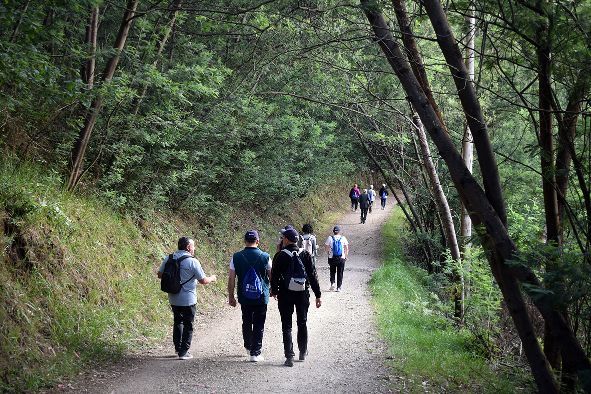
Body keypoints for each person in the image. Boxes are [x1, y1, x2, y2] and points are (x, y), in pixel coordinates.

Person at [158, 237, 217, 360]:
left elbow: (160, 274)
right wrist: (212, 278)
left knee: (177, 321)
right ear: (188, 247)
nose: (194, 248)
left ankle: (178, 348)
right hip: (188, 298)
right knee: (188, 324)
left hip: (173, 297)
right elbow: (203, 280)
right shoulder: (192, 261)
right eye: (193, 246)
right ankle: (184, 352)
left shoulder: (169, 258)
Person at [271, 227, 322, 367]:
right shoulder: (305, 254)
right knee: (302, 322)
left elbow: (274, 276)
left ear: (286, 239)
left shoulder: (280, 255)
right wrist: (318, 295)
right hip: (302, 293)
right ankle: (303, 351)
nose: (282, 240)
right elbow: (312, 276)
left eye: (283, 238)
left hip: (285, 294)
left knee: (286, 325)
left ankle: (289, 357)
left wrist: (274, 291)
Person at [227, 230, 272, 362]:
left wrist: (231, 296)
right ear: (257, 241)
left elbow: (231, 278)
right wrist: (274, 291)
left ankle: (248, 346)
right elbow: (271, 276)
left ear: (245, 241)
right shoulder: (265, 256)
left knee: (246, 320)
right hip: (261, 296)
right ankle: (255, 353)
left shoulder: (236, 257)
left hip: (244, 295)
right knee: (259, 323)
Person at [324, 226, 349, 292]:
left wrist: (328, 254)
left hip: (332, 258)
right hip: (341, 258)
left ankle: (332, 283)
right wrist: (345, 255)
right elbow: (346, 248)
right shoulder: (343, 238)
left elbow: (326, 248)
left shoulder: (330, 238)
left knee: (332, 271)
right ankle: (339, 287)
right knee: (340, 272)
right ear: (339, 231)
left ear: (333, 231)